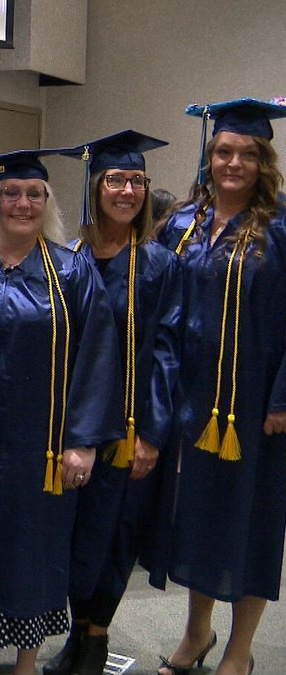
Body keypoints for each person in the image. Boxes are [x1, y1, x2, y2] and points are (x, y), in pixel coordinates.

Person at [0, 149, 122, 675]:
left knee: (32, 552)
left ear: (47, 203)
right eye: (11, 193)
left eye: (35, 194)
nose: (23, 203)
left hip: (42, 449)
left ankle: (26, 663)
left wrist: (83, 441)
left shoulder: (71, 271)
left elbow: (98, 357)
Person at [153, 98, 286, 675]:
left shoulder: (280, 229)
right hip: (191, 399)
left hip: (255, 403)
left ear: (263, 162)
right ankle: (197, 632)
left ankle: (240, 649)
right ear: (208, 158)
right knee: (200, 519)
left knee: (251, 523)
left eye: (247, 154)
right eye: (224, 151)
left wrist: (283, 397)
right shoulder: (183, 224)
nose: (233, 163)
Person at [40, 131, 179, 675]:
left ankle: (95, 641)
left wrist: (152, 433)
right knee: (74, 534)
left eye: (137, 181)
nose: (127, 191)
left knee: (115, 534)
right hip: (70, 427)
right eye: (116, 180)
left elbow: (168, 352)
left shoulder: (160, 264)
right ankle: (77, 634)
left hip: (127, 431)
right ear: (94, 187)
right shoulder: (67, 258)